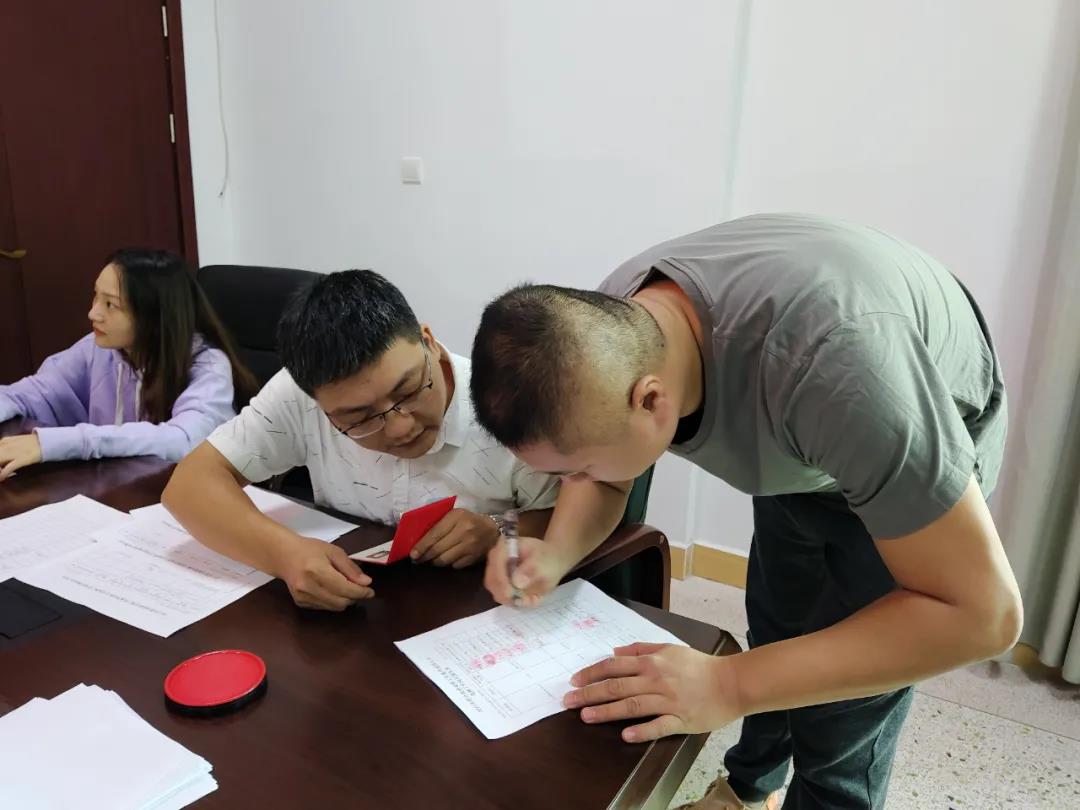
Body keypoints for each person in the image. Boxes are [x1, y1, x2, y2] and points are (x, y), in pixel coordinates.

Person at [468, 214, 1022, 809]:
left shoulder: (843, 376)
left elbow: (981, 616)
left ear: (652, 400)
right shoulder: (605, 330)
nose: (571, 487)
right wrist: (557, 550)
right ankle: (748, 790)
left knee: (842, 710)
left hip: (905, 421)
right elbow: (607, 475)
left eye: (576, 470)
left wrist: (726, 685)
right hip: (807, 435)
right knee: (778, 628)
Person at [162, 269, 559, 611]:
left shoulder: (509, 407)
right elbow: (189, 485)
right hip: (357, 619)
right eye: (360, 418)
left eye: (409, 390)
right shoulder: (300, 395)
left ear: (428, 342)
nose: (400, 427)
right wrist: (284, 554)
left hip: (481, 614)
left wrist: (497, 528)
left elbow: (570, 514)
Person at [0, 248, 255, 480]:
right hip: (118, 489)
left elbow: (184, 440)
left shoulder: (207, 365)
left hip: (189, 497)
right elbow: (23, 395)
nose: (93, 313)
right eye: (95, 296)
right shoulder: (99, 348)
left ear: (154, 315)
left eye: (110, 304)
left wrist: (61, 442)